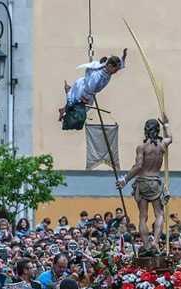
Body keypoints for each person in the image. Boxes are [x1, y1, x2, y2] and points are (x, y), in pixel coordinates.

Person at [116, 114, 172, 256]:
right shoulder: (162, 145)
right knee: (159, 214)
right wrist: (166, 124)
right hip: (156, 183)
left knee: (143, 216)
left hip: (143, 182)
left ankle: (146, 245)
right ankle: (156, 241)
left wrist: (125, 179)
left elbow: (138, 166)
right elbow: (170, 138)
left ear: (145, 130)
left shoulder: (142, 147)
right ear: (157, 130)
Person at [59, 49, 127, 131]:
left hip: (88, 91)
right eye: (115, 70)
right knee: (75, 106)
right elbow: (89, 88)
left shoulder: (107, 70)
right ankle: (65, 106)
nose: (116, 72)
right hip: (83, 91)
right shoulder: (97, 76)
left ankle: (63, 109)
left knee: (75, 106)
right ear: (109, 66)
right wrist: (85, 99)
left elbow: (120, 65)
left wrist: (123, 56)